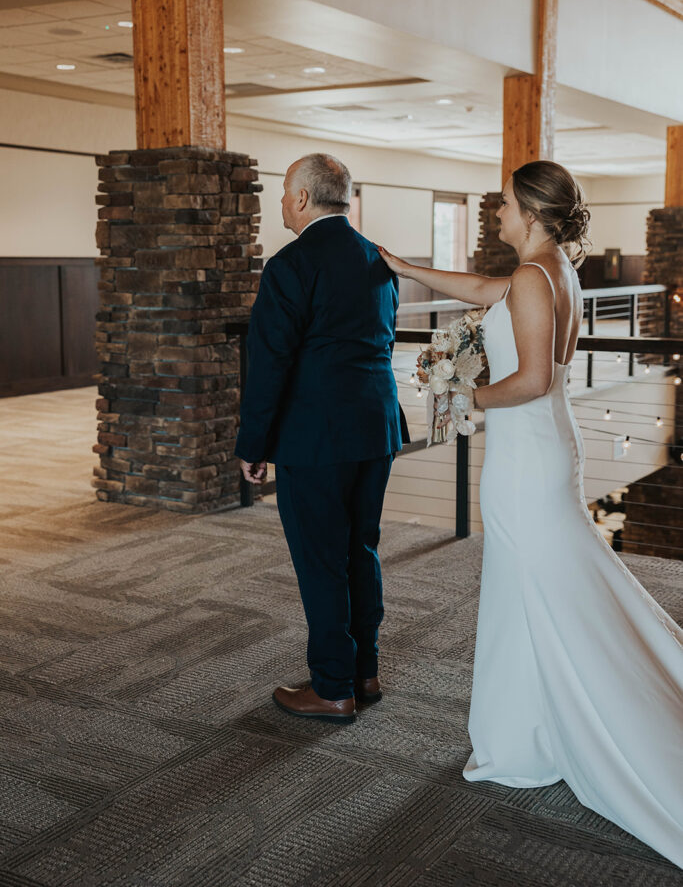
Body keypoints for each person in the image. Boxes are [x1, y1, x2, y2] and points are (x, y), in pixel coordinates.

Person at [378, 160, 683, 868]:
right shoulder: (549, 270)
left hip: (527, 460)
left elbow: (535, 377)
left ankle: (584, 729)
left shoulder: (533, 275)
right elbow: (486, 291)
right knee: (525, 594)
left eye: (506, 206)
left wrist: (460, 394)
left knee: (548, 592)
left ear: (534, 212)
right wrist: (402, 264)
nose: (496, 215)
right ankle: (521, 734)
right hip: (538, 452)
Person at [236, 153, 408, 724]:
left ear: (304, 198)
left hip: (315, 437)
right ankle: (366, 671)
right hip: (375, 427)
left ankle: (333, 686)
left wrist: (253, 445)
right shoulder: (378, 260)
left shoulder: (290, 265)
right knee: (360, 547)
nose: (282, 202)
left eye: (285, 192)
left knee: (321, 560)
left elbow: (269, 366)